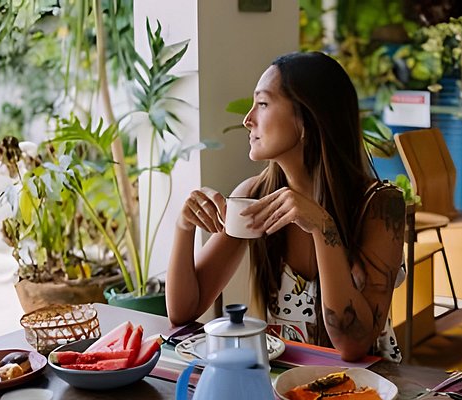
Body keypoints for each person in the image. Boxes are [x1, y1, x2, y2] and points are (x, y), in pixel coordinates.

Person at [166, 52, 405, 362]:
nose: (247, 119)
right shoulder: (254, 196)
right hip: (285, 386)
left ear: (306, 118)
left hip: (366, 393)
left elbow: (353, 344)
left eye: (262, 104)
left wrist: (323, 226)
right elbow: (183, 311)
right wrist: (184, 227)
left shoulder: (380, 206)